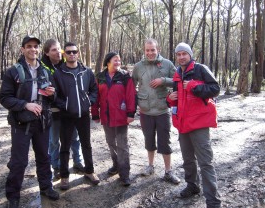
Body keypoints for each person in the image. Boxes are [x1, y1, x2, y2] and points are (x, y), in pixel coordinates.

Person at [0, 36, 59, 208]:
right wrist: (25, 104)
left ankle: (46, 187)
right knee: (19, 161)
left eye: (35, 47)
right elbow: (4, 98)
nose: (33, 49)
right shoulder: (13, 71)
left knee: (44, 157)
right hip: (21, 124)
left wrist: (51, 94)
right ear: (22, 49)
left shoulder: (45, 71)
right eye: (29, 46)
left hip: (42, 122)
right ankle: (13, 196)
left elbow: (53, 98)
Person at [166, 42, 221, 208]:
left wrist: (194, 86)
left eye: (184, 53)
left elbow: (215, 89)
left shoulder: (200, 69)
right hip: (182, 123)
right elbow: (176, 100)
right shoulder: (177, 74)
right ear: (176, 57)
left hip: (199, 124)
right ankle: (193, 186)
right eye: (179, 54)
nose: (181, 57)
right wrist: (170, 99)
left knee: (205, 162)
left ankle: (213, 201)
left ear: (190, 54)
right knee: (188, 160)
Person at [132, 38, 180, 184]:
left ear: (158, 49)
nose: (150, 52)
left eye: (153, 50)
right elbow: (132, 85)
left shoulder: (167, 64)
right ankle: (151, 166)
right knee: (149, 140)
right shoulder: (138, 66)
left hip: (162, 110)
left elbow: (177, 80)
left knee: (165, 141)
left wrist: (163, 80)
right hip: (145, 111)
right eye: (147, 50)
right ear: (144, 51)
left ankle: (168, 171)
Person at [53, 41, 99, 190]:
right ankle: (65, 177)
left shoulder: (86, 71)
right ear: (64, 54)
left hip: (84, 115)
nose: (72, 54)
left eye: (74, 51)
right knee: (65, 147)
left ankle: (90, 171)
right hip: (66, 115)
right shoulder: (58, 73)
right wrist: (64, 105)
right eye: (68, 52)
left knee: (86, 145)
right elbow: (54, 95)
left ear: (78, 53)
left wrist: (88, 102)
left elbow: (94, 90)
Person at [41, 39, 84, 180]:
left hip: (69, 110)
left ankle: (78, 162)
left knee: (74, 137)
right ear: (47, 53)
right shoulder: (42, 68)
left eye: (59, 49)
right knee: (54, 141)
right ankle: (57, 167)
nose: (58, 52)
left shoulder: (67, 65)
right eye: (54, 50)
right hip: (52, 111)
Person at [91, 52, 136, 186]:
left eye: (119, 61)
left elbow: (131, 95)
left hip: (121, 116)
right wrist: (95, 113)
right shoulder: (99, 77)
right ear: (107, 62)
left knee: (122, 145)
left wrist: (131, 113)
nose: (117, 63)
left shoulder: (125, 76)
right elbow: (96, 96)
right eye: (115, 60)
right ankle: (116, 165)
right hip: (106, 116)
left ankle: (124, 174)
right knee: (111, 143)